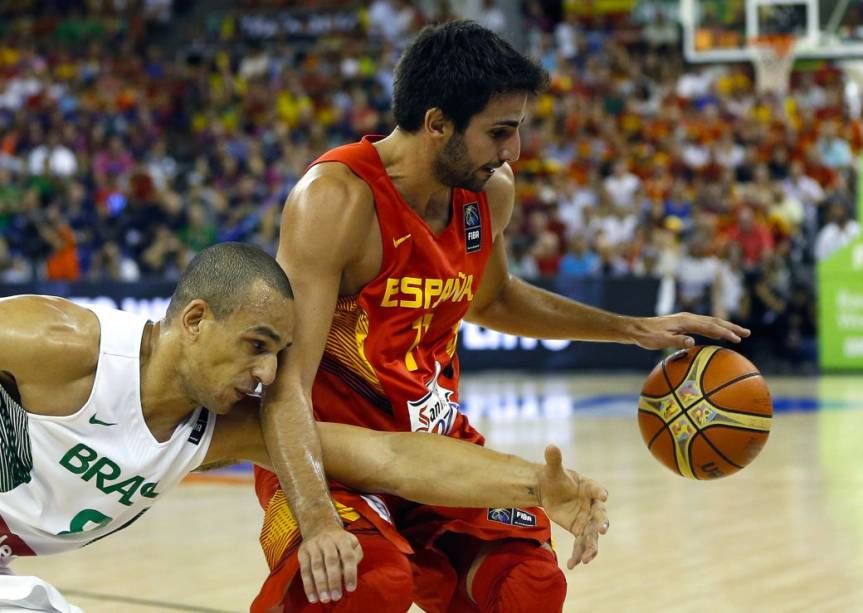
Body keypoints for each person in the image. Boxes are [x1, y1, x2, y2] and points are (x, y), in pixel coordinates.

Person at [257, 20, 750, 613]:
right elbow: (286, 387)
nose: (513, 151)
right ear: (437, 123)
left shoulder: (489, 191)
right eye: (500, 132)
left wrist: (632, 329)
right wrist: (315, 515)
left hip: (435, 450)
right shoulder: (334, 200)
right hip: (333, 456)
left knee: (528, 588)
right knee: (361, 585)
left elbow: (492, 299)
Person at [0, 242, 608, 612]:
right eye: (256, 345)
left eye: (278, 353)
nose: (267, 373)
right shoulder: (61, 345)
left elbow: (389, 459)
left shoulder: (219, 427)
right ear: (193, 320)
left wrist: (537, 485)